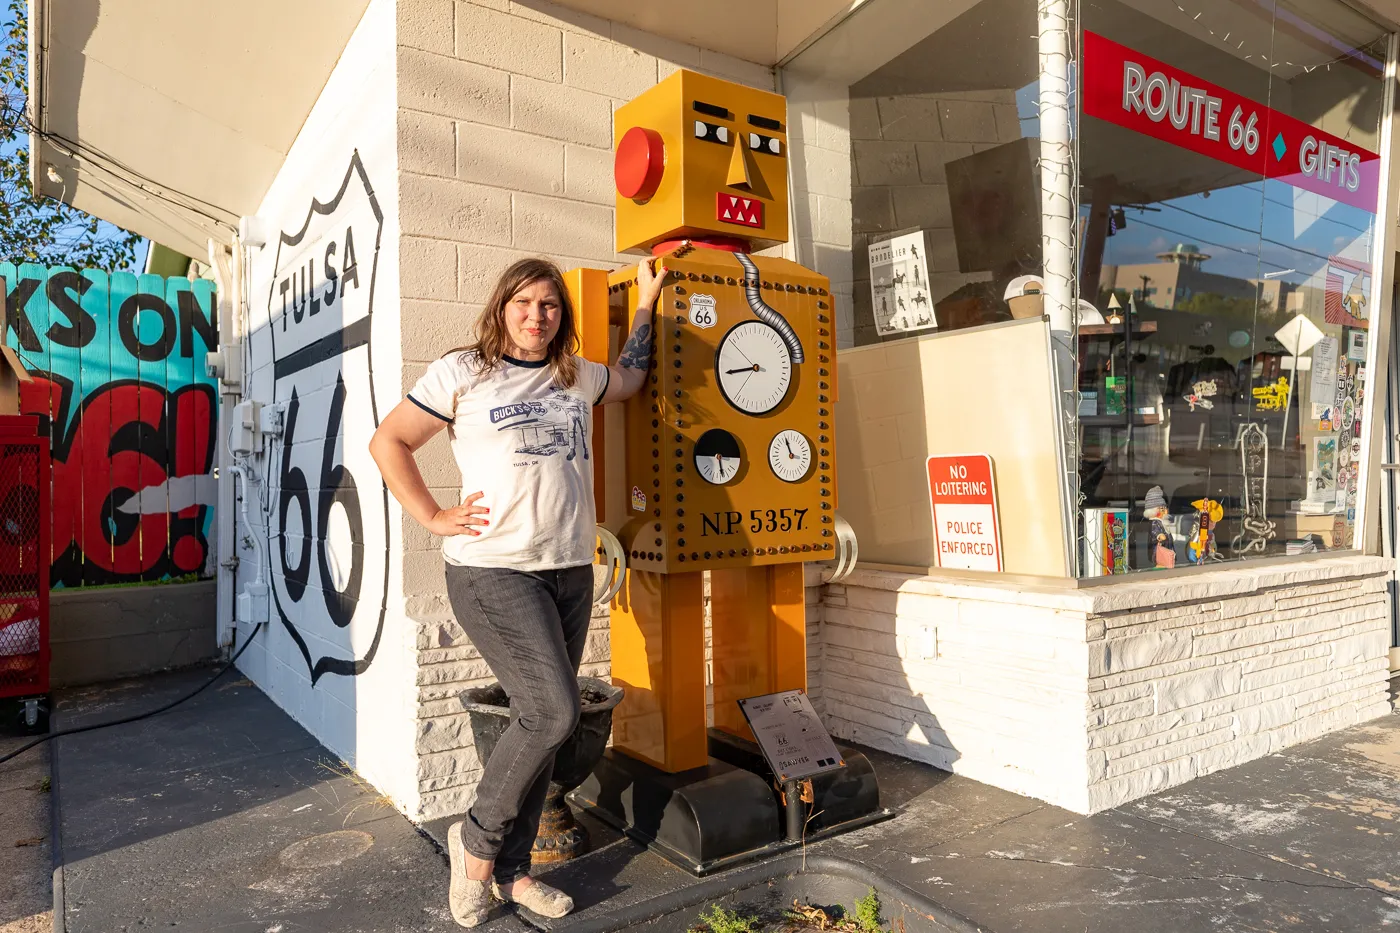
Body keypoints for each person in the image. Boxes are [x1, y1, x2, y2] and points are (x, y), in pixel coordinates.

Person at [369, 255, 666, 926]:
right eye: (525, 303)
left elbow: (634, 376)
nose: (538, 315)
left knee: (546, 726)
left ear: (561, 318)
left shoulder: (574, 375)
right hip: (492, 572)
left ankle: (512, 871)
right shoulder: (462, 372)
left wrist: (647, 302)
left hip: (566, 571)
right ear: (502, 308)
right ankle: (475, 846)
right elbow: (389, 442)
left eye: (551, 306)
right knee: (553, 710)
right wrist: (433, 515)